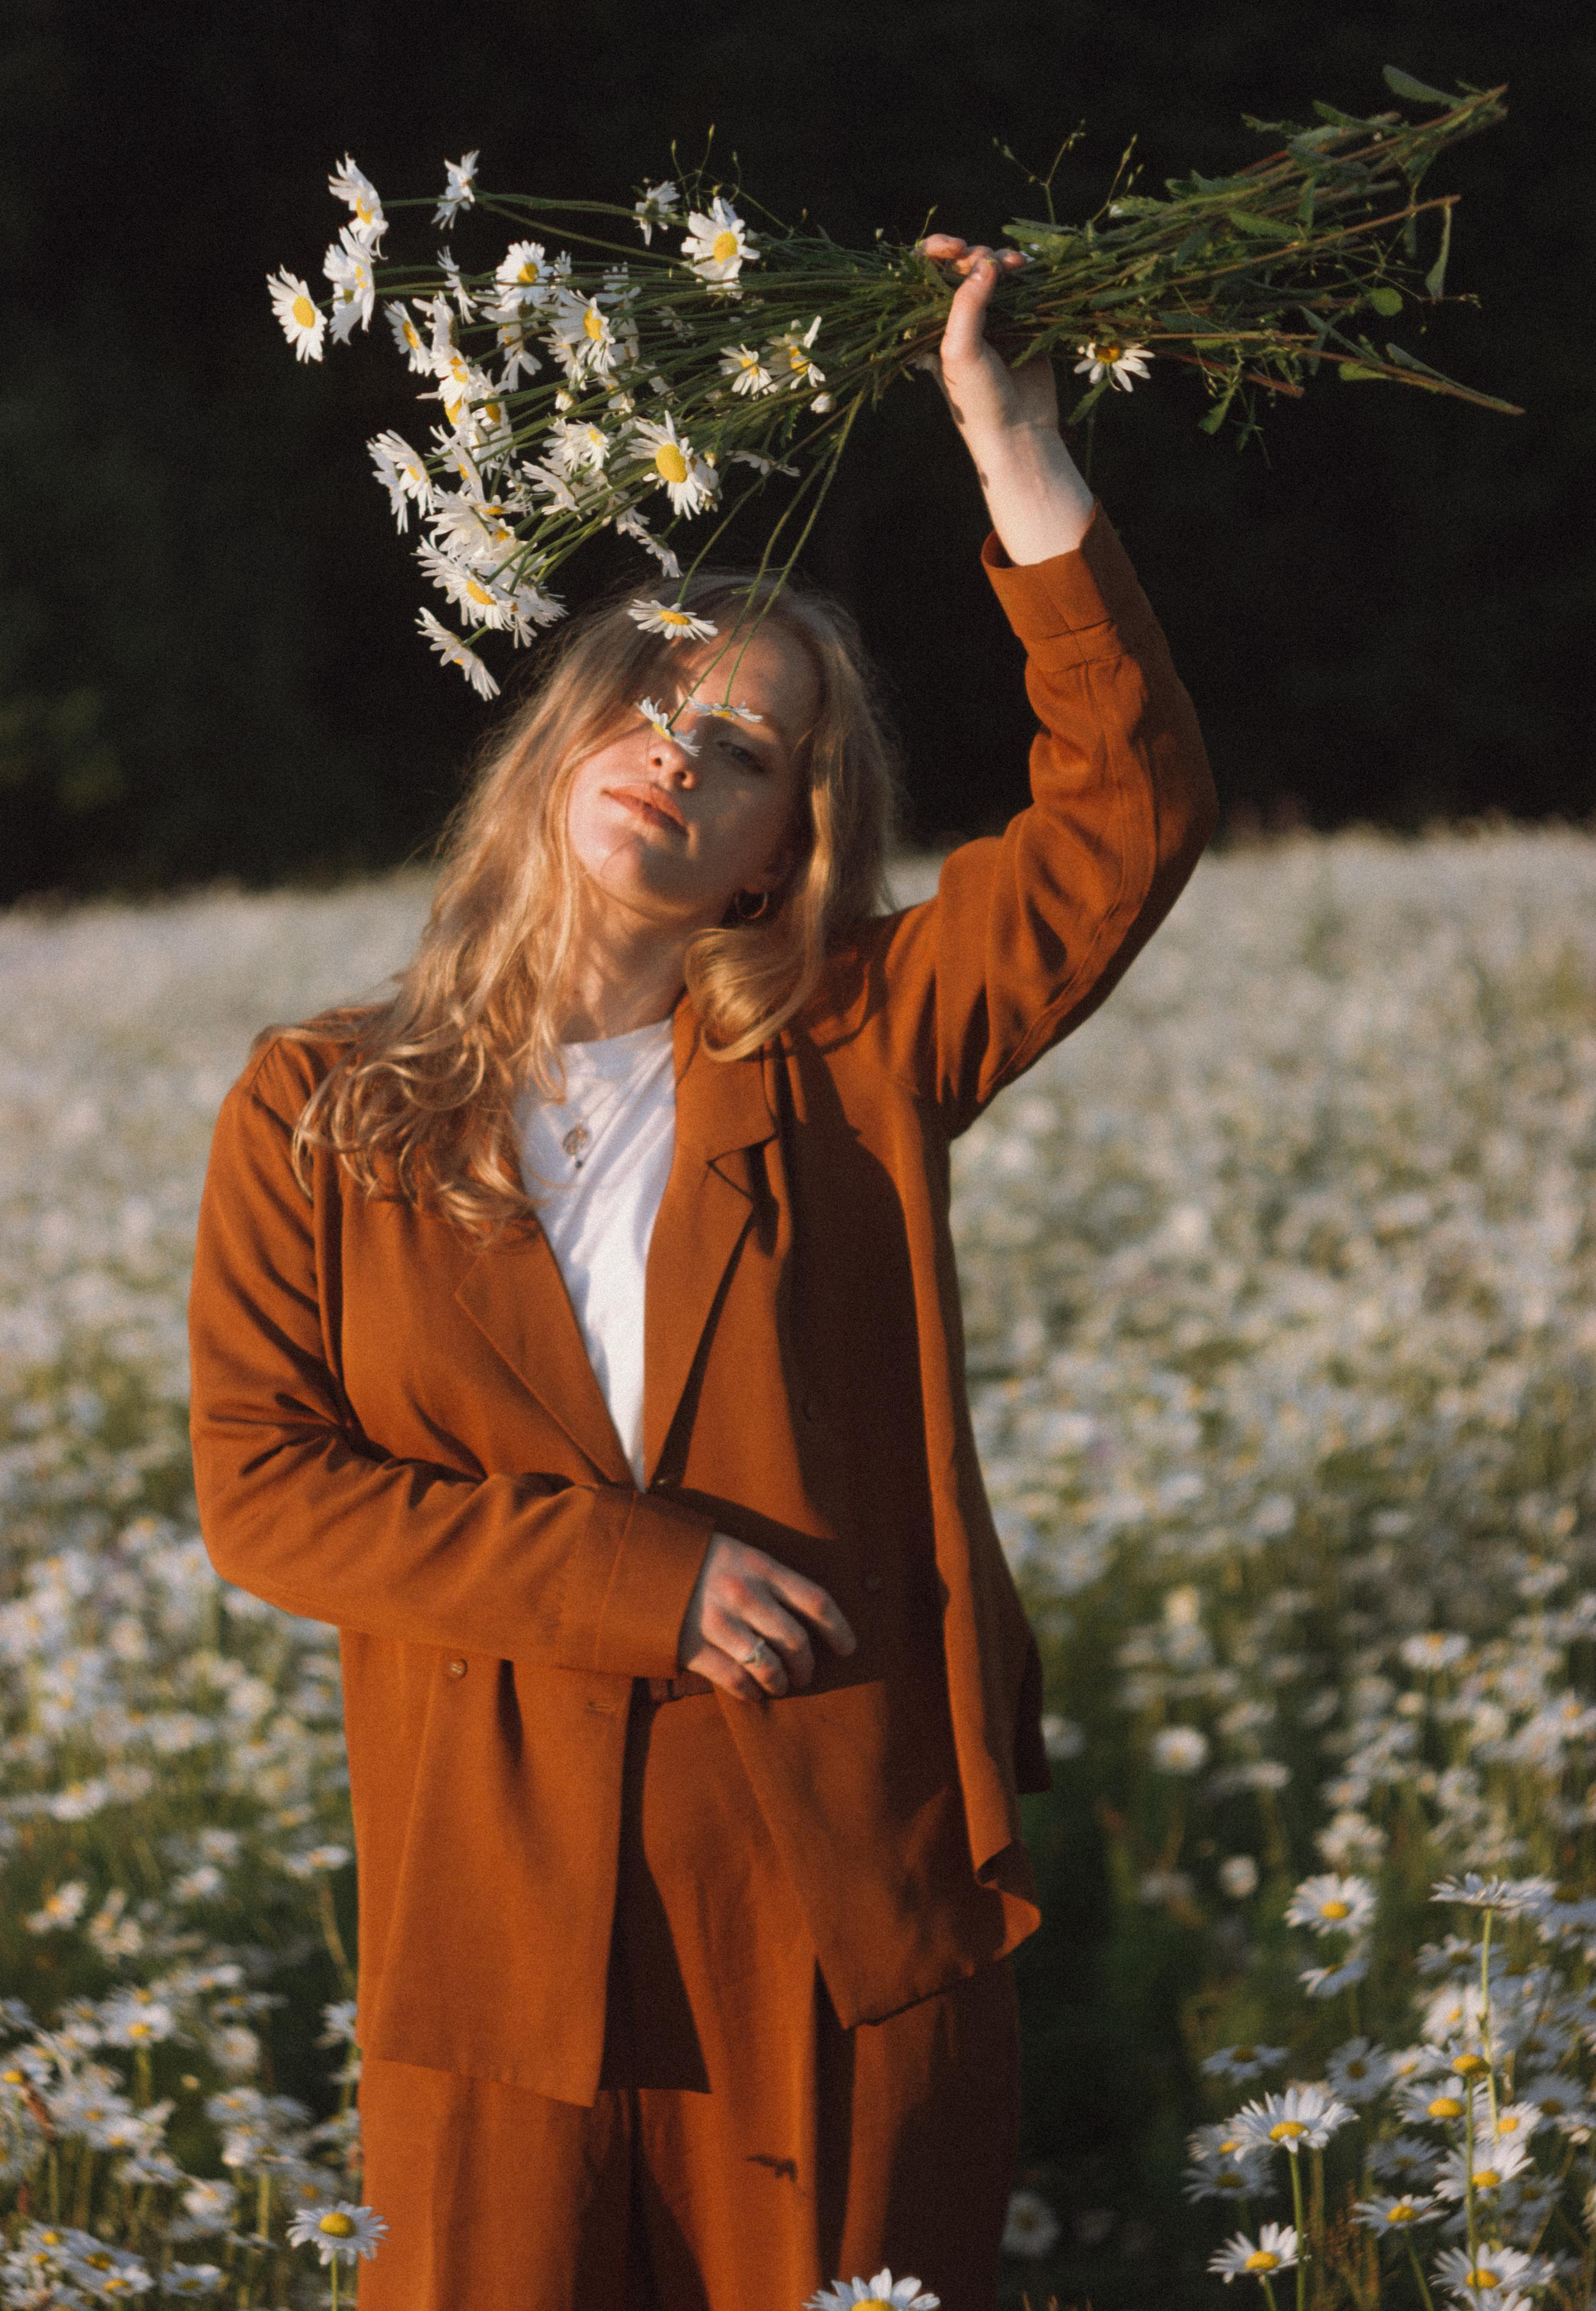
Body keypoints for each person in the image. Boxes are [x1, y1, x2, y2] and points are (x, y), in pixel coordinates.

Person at [188, 236, 1218, 2311]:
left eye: (749, 746)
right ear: (565, 745)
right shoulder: (319, 1101)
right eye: (658, 701)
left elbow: (1131, 813)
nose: (688, 747)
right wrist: (640, 1577)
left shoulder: (858, 1045)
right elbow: (266, 1493)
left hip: (829, 1900)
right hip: (499, 1922)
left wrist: (1009, 441)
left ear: (780, 847)